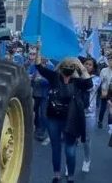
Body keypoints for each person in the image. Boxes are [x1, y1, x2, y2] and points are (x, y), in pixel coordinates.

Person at [34, 46, 93, 183]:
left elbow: (89, 83)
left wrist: (79, 65)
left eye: (70, 65)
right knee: (56, 147)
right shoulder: (55, 77)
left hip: (71, 119)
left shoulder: (78, 82)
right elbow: (39, 67)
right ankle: (56, 175)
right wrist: (38, 50)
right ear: (61, 66)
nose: (68, 66)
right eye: (66, 64)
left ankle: (70, 176)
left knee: (70, 149)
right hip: (54, 118)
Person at [79, 57, 101, 173]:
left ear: (93, 67)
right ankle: (69, 163)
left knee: (86, 140)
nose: (87, 66)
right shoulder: (77, 76)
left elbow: (90, 87)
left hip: (89, 114)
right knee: (72, 139)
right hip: (76, 112)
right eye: (85, 64)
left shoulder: (97, 79)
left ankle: (87, 160)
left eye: (90, 65)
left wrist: (82, 75)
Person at [29, 48, 54, 143]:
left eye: (44, 56)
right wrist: (31, 77)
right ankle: (37, 128)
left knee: (44, 113)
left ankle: (43, 132)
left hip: (45, 94)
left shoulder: (51, 67)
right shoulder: (34, 65)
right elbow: (28, 74)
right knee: (34, 111)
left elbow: (52, 80)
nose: (43, 58)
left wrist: (42, 80)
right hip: (35, 92)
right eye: (41, 56)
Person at [98, 54, 112, 128]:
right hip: (104, 92)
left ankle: (110, 125)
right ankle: (100, 121)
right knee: (103, 108)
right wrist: (102, 91)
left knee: (111, 109)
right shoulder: (104, 70)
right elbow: (99, 82)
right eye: (110, 60)